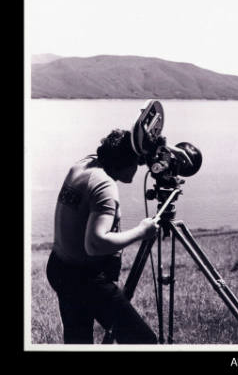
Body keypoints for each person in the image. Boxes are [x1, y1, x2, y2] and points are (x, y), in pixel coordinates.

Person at [46, 129, 160, 344]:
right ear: (124, 163)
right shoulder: (105, 185)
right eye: (136, 162)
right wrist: (143, 231)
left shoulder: (86, 164)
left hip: (59, 267)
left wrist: (143, 147)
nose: (137, 168)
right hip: (84, 278)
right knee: (143, 341)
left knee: (78, 341)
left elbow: (121, 147)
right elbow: (95, 244)